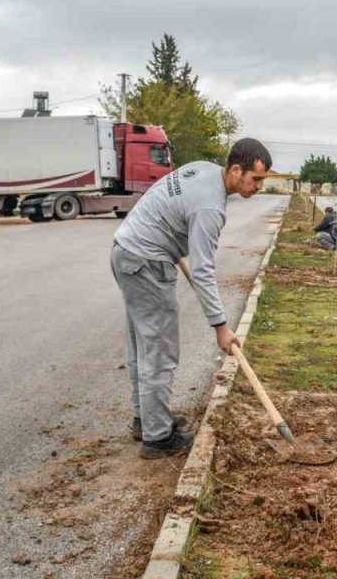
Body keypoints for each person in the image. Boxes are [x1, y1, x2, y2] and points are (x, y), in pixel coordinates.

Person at [110, 138, 272, 458]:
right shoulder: (211, 206)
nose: (260, 186)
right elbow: (203, 270)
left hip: (126, 250)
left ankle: (147, 420)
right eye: (256, 179)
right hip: (147, 262)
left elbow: (167, 204)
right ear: (236, 170)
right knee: (159, 351)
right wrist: (221, 326)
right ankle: (157, 438)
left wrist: (169, 237)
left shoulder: (204, 170)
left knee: (142, 346)